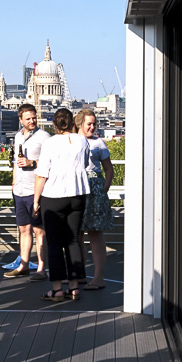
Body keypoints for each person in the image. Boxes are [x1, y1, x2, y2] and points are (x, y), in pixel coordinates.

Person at [33, 107, 91, 300]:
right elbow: (83, 164)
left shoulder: (50, 143)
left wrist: (35, 200)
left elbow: (42, 174)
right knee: (73, 240)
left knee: (55, 243)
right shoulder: (82, 141)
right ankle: (74, 287)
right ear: (73, 122)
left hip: (54, 195)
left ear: (54, 124)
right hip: (78, 194)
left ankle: (57, 289)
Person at [4, 103, 47, 278]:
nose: (32, 121)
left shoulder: (44, 137)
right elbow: (15, 161)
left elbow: (49, 163)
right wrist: (14, 182)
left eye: (34, 117)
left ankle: (41, 268)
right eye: (28, 118)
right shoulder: (18, 137)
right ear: (20, 119)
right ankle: (23, 265)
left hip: (35, 189)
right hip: (20, 189)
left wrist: (32, 163)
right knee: (23, 229)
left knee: (39, 230)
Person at [75, 108, 115, 286]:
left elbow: (109, 169)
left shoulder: (99, 144)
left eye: (94, 124)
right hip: (76, 189)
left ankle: (98, 277)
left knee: (95, 234)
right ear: (80, 124)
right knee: (76, 234)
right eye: (89, 124)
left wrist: (104, 189)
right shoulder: (72, 141)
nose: (92, 127)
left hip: (94, 190)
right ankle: (80, 273)